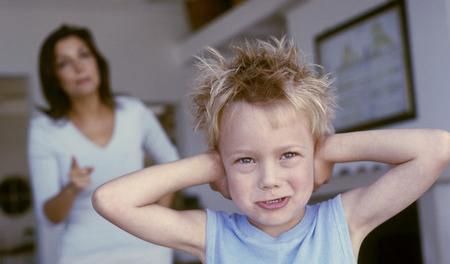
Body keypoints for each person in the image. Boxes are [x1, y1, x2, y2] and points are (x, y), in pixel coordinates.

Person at [92, 38, 450, 263]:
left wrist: (324, 150)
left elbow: (436, 148)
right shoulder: (211, 236)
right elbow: (111, 200)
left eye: (288, 155)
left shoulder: (341, 222)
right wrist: (213, 166)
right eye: (246, 160)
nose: (270, 180)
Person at [28, 24, 179, 264]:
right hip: (82, 256)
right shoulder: (45, 130)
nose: (79, 67)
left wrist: (159, 217)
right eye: (64, 63)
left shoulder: (133, 112)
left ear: (97, 61)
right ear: (54, 78)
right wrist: (71, 188)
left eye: (83, 55)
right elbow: (49, 216)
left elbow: (172, 162)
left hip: (148, 252)